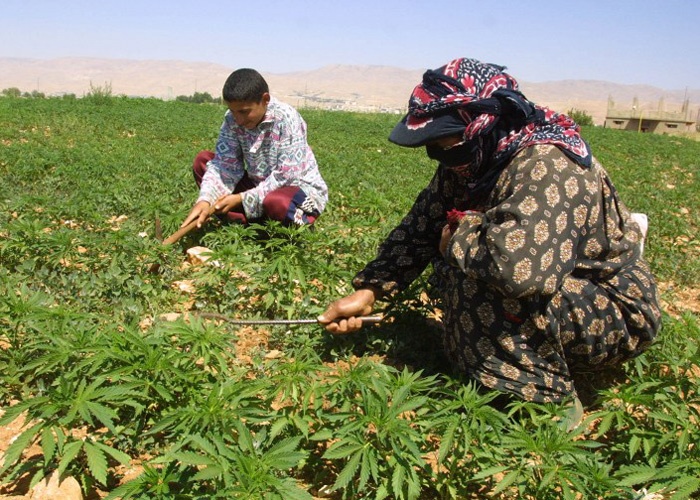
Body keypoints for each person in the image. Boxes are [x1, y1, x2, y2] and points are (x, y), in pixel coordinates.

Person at [318, 57, 662, 408]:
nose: (436, 154)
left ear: (482, 126)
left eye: (444, 142)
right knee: (459, 270)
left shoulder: (547, 164)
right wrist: (371, 290)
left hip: (611, 309)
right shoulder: (475, 159)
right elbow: (421, 225)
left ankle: (542, 403)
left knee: (484, 282)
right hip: (563, 293)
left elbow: (520, 273)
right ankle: (496, 363)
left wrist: (458, 237)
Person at [181, 68, 328, 230]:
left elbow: (288, 176)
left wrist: (242, 199)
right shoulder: (232, 121)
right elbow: (224, 164)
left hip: (296, 191)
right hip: (257, 187)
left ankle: (294, 224)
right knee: (204, 161)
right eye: (233, 111)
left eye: (244, 112)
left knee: (277, 202)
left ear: (265, 99)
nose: (239, 119)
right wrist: (206, 199)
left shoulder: (286, 119)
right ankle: (251, 224)